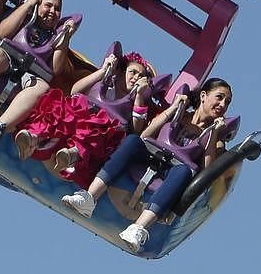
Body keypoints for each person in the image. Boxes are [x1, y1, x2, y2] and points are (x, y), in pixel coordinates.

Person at [62, 77, 234, 252]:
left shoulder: (215, 139)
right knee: (133, 141)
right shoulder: (179, 114)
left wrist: (213, 134)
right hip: (151, 154)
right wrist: (174, 109)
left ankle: (138, 228)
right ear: (204, 96)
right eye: (219, 97)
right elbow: (146, 135)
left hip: (173, 170)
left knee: (183, 171)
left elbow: (206, 170)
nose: (222, 104)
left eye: (227, 102)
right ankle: (89, 197)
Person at [0, 51, 156, 186]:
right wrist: (102, 71)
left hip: (97, 139)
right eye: (132, 72)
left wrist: (140, 96)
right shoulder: (105, 85)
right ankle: (34, 137)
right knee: (65, 106)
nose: (135, 78)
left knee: (99, 126)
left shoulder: (135, 102)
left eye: (140, 76)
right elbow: (75, 91)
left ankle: (72, 155)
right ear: (121, 72)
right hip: (73, 125)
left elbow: (136, 130)